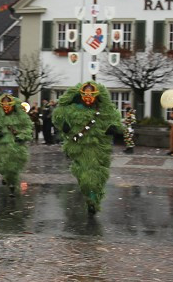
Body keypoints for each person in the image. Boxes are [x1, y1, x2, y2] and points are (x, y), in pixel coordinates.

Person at [52, 81, 124, 215]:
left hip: (97, 149)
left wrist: (113, 128)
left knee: (94, 176)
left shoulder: (104, 110)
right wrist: (64, 124)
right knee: (83, 176)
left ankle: (93, 200)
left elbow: (116, 121)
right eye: (85, 95)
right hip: (79, 148)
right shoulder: (72, 109)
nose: (88, 98)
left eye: (92, 95)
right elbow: (58, 116)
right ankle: (90, 197)